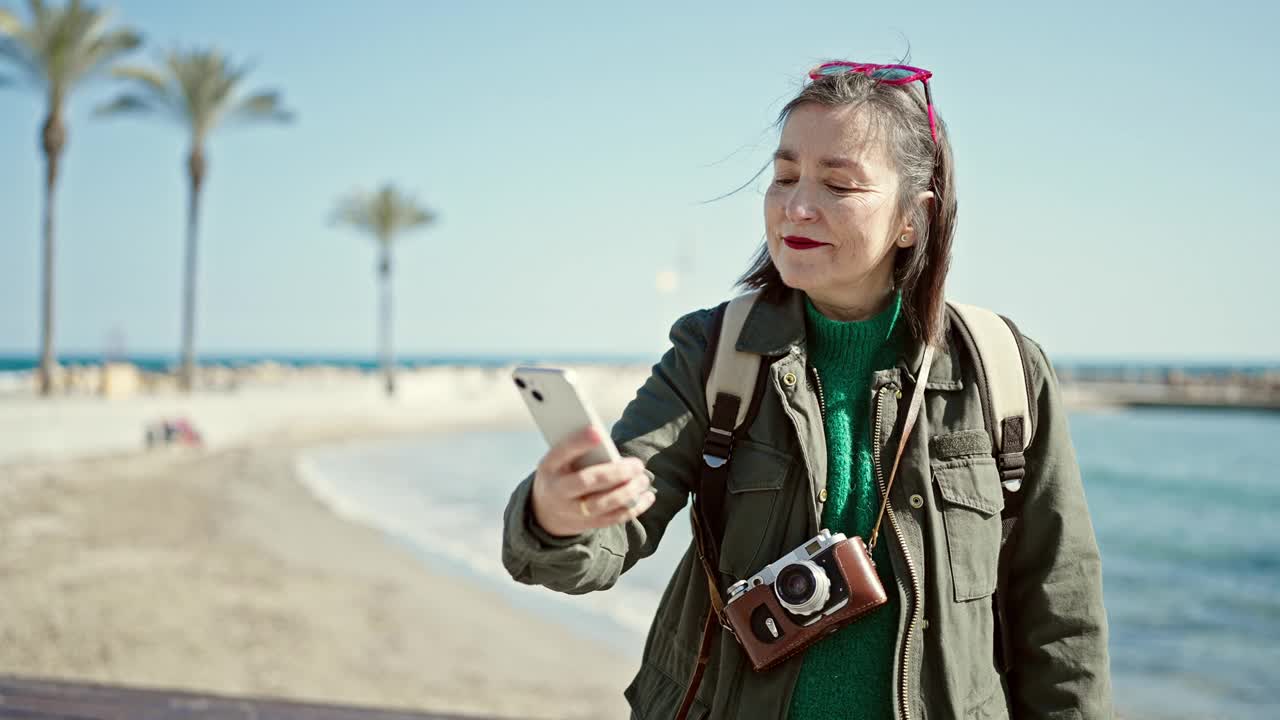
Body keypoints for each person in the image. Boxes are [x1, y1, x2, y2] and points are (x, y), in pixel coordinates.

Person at [502, 60, 1112, 719]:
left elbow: (1060, 611)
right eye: (785, 175)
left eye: (838, 184)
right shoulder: (712, 352)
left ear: (913, 217)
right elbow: (606, 540)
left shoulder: (1003, 368)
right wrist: (556, 518)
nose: (795, 205)